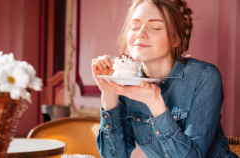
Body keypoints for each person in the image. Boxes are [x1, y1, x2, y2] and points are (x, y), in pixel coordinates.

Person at [91, 0, 239, 157]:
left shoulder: (204, 77)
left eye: (155, 27)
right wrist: (109, 94)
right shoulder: (127, 82)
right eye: (134, 26)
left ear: (175, 39)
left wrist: (156, 103)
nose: (140, 33)